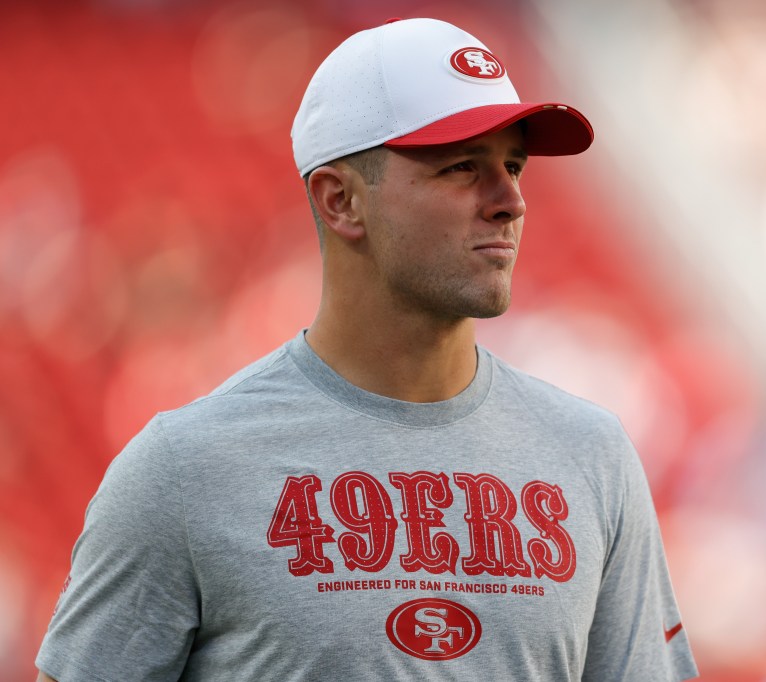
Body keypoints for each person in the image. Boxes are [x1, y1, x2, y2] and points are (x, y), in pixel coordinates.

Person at [35, 17, 698, 681]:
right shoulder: (182, 471)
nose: (510, 200)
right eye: (463, 167)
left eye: (514, 165)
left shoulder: (593, 455)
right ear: (341, 200)